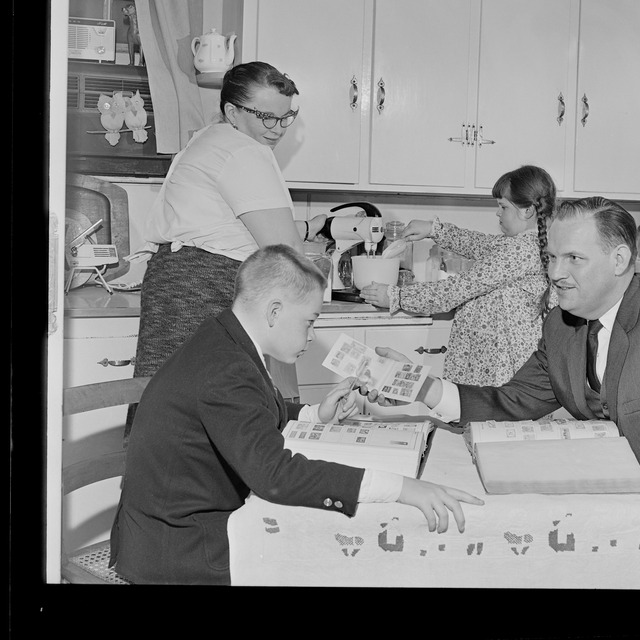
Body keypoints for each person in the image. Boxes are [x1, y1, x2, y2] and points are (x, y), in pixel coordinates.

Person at [363, 197, 640, 589]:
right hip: (618, 518)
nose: (555, 273)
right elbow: (512, 400)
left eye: (574, 259)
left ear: (619, 260)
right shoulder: (561, 326)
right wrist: (422, 386)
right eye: (550, 257)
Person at [110, 245, 484, 585]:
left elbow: (246, 411)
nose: (311, 334)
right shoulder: (227, 369)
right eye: (309, 321)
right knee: (337, 561)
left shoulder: (223, 337)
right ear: (274, 311)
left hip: (171, 526)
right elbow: (275, 476)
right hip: (179, 549)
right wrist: (402, 488)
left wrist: (313, 415)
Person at [130, 61, 326, 413]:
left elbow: (233, 223)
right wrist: (309, 309)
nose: (278, 129)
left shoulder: (209, 139)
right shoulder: (244, 150)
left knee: (167, 402)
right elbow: (285, 250)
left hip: (174, 279)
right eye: (267, 116)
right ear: (232, 111)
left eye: (286, 117)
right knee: (215, 407)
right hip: (206, 285)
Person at [359, 165, 557, 386]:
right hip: (501, 361)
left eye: (503, 206)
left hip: (500, 365)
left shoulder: (519, 249)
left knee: (483, 415)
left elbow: (457, 290)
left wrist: (396, 297)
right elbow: (480, 243)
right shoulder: (526, 243)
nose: (497, 213)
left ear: (527, 210)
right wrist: (435, 230)